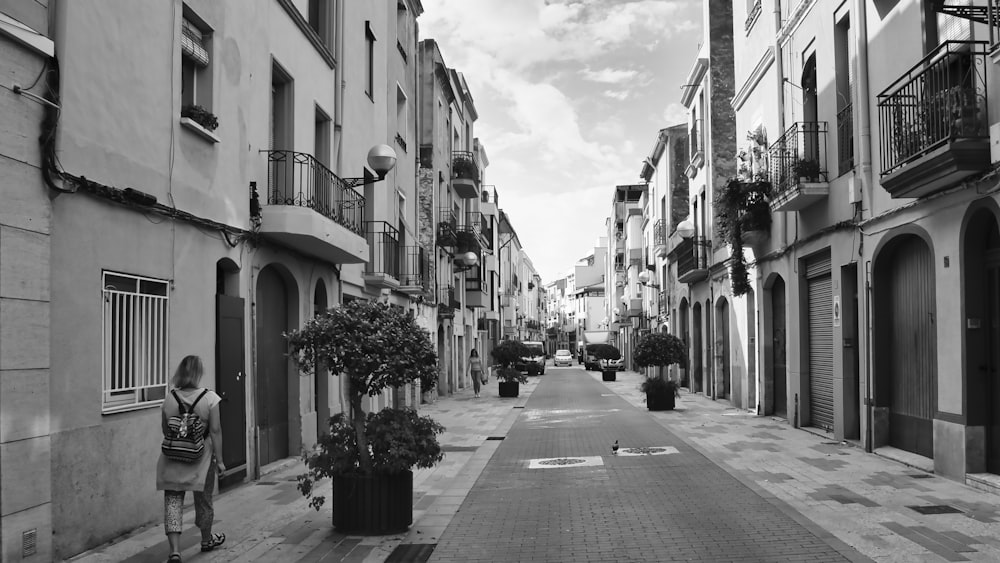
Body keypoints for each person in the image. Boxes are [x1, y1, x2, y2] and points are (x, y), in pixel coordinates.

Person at [156, 355, 226, 562]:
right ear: (198, 373)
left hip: (172, 458)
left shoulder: (169, 398)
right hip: (201, 459)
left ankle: (175, 551)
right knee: (204, 500)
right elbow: (215, 430)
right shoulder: (210, 398)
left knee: (172, 501)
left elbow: (165, 429)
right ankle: (206, 540)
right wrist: (220, 460)